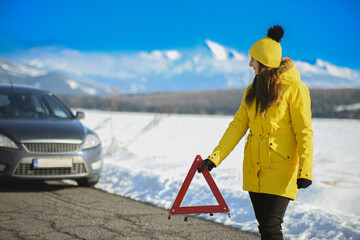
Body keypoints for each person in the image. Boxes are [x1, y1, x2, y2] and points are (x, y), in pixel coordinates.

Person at [198, 25, 313, 240]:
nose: (250, 64)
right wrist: (214, 159)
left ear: (265, 62)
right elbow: (237, 126)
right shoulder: (252, 91)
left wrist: (305, 170)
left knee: (270, 227)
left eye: (253, 60)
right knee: (265, 228)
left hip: (281, 170)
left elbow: (304, 132)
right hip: (255, 169)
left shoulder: (295, 89)